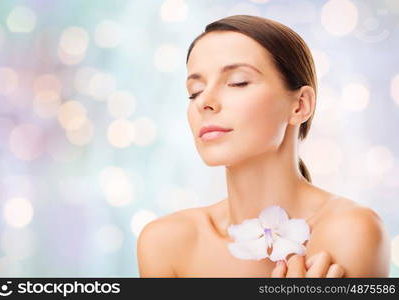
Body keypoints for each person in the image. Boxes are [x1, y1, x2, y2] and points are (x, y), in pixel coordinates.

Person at [137, 15, 390, 277]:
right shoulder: (167, 242)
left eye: (238, 82)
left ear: (300, 105)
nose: (204, 102)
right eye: (195, 91)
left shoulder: (350, 231)